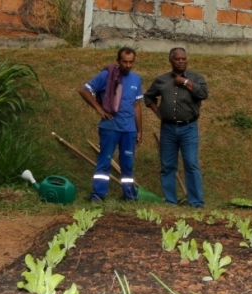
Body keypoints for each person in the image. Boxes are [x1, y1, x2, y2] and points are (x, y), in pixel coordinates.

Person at [144, 47, 208, 208]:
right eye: (177, 59)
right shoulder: (162, 80)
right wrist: (158, 111)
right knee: (167, 165)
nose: (181, 62)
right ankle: (170, 200)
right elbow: (148, 96)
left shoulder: (196, 78)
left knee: (191, 163)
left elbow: (203, 94)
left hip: (189, 128)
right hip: (168, 129)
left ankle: (196, 202)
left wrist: (185, 82)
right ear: (171, 60)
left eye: (184, 59)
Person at [78, 47, 143, 201]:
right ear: (118, 61)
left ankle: (129, 196)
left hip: (129, 129)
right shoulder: (107, 75)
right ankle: (98, 195)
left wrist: (140, 130)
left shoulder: (136, 79)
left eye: (131, 62)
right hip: (110, 127)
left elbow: (137, 106)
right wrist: (99, 108)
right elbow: (84, 90)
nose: (128, 65)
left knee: (127, 164)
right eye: (125, 62)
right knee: (105, 161)